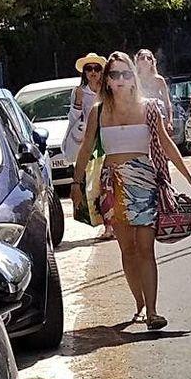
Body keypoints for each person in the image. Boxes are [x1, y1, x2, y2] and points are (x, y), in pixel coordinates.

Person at [70, 52, 191, 329]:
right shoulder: (98, 111)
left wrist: (190, 179)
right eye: (114, 75)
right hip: (113, 186)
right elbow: (86, 148)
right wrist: (76, 184)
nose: (120, 80)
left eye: (125, 74)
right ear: (107, 81)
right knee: (128, 249)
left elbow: (167, 144)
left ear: (133, 78)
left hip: (144, 183)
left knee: (146, 249)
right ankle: (139, 302)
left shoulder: (148, 108)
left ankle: (153, 311)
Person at [64, 52, 112, 240]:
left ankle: (110, 225)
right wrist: (77, 102)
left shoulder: (108, 89)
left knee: (107, 182)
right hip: (89, 141)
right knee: (94, 185)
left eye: (97, 68)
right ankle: (102, 221)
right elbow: (73, 119)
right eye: (88, 68)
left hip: (107, 138)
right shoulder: (79, 92)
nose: (93, 72)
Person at [135, 48, 174, 134]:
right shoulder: (133, 80)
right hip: (140, 120)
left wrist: (170, 122)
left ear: (152, 62)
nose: (145, 60)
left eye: (149, 58)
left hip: (159, 118)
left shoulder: (159, 80)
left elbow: (167, 103)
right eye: (142, 58)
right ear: (137, 62)